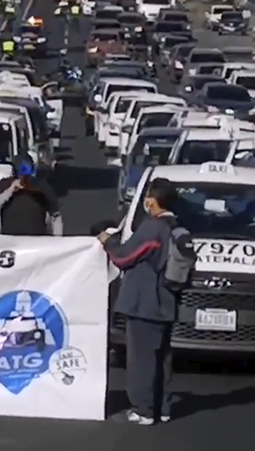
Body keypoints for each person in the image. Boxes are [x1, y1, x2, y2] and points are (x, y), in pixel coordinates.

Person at [98, 177, 180, 425]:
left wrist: (108, 242)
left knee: (141, 359)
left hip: (145, 303)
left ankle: (142, 410)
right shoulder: (177, 228)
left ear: (152, 201)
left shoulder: (152, 228)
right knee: (162, 359)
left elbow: (124, 257)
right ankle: (162, 408)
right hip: (166, 301)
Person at [0, 153, 62, 236]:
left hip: (36, 242)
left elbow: (55, 215)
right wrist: (10, 191)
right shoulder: (5, 184)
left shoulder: (41, 185)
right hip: (12, 242)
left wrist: (57, 240)